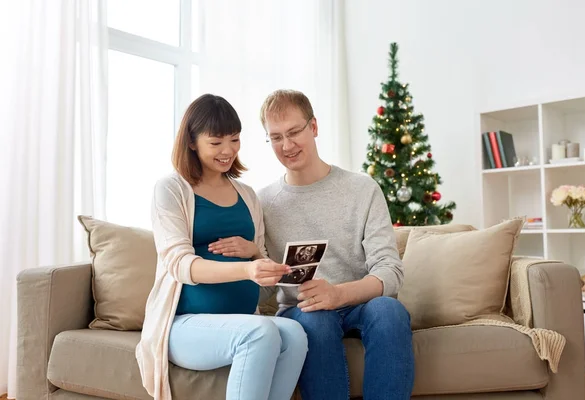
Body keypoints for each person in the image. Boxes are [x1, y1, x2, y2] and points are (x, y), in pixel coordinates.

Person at [135, 94, 308, 400]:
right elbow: (180, 265)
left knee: (294, 334)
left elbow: (262, 278)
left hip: (243, 317)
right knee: (260, 332)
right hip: (185, 325)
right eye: (216, 142)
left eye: (235, 139)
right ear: (192, 141)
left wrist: (256, 256)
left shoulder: (247, 195)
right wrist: (246, 268)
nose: (228, 151)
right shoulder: (171, 189)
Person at [258, 89, 415, 399]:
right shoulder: (262, 203)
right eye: (276, 137)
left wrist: (338, 294)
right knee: (316, 317)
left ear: (313, 127)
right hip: (301, 311)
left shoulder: (361, 189)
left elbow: (390, 271)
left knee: (390, 311)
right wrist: (251, 259)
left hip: (360, 303)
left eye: (294, 132)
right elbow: (262, 291)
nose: (287, 145)